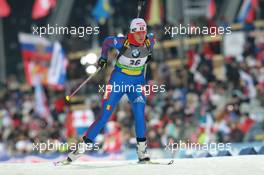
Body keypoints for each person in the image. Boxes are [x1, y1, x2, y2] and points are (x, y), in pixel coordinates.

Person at [65, 18, 155, 164]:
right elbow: (107, 41)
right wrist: (103, 58)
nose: (141, 35)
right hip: (118, 81)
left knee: (139, 114)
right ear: (132, 32)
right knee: (104, 117)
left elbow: (150, 41)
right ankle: (80, 148)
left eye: (143, 32)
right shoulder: (122, 42)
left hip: (137, 82)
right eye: (138, 32)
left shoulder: (150, 40)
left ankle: (142, 152)